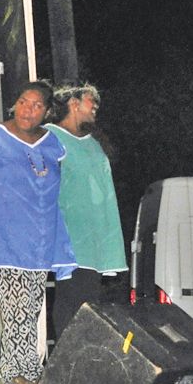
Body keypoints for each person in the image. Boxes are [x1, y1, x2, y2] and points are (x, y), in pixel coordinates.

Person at [0, 81, 76, 384]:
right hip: (3, 238)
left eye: (37, 105)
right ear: (15, 103)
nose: (29, 110)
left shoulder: (52, 143)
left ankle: (32, 369)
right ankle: (15, 372)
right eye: (24, 102)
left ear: (47, 111)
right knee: (12, 306)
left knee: (32, 306)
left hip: (39, 239)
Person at [46, 83, 126, 335]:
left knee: (89, 305)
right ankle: (66, 364)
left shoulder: (94, 144)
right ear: (74, 103)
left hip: (94, 240)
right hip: (68, 237)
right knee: (70, 300)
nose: (96, 108)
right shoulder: (50, 136)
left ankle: (84, 362)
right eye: (92, 101)